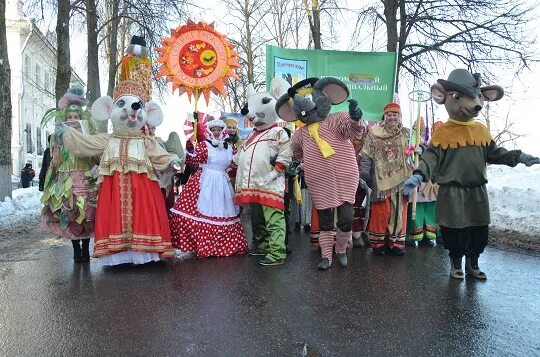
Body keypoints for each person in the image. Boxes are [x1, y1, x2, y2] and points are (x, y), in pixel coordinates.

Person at [169, 119, 248, 258]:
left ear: (222, 131)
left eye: (219, 129)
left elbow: (234, 164)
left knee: (224, 212)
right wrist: (190, 150)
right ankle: (199, 245)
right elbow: (194, 161)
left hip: (222, 183)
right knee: (193, 211)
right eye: (214, 130)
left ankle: (224, 246)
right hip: (205, 180)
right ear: (210, 131)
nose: (216, 132)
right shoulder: (203, 145)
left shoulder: (229, 147)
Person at [40, 86, 99, 262]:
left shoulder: (88, 136)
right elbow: (56, 162)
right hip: (68, 181)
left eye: (76, 117)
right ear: (64, 119)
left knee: (87, 213)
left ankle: (86, 249)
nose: (73, 120)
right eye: (69, 117)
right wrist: (58, 146)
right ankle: (75, 249)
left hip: (87, 180)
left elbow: (95, 155)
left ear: (82, 118)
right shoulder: (59, 137)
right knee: (70, 212)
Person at [360, 102, 412, 256]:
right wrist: (364, 172)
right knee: (382, 212)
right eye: (389, 114)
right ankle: (378, 243)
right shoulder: (374, 132)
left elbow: (415, 151)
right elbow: (366, 155)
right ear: (384, 116)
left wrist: (418, 149)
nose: (392, 117)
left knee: (399, 212)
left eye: (395, 114)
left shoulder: (406, 133)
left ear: (399, 116)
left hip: (402, 180)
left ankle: (395, 244)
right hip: (380, 179)